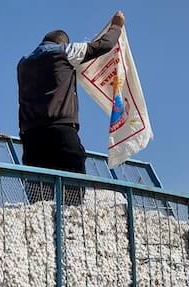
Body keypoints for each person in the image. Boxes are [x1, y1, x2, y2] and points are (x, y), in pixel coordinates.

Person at [17, 11, 125, 173]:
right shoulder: (66, 51)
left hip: (31, 136)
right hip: (61, 131)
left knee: (39, 191)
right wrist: (117, 25)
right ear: (63, 42)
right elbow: (105, 45)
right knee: (73, 182)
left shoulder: (23, 63)